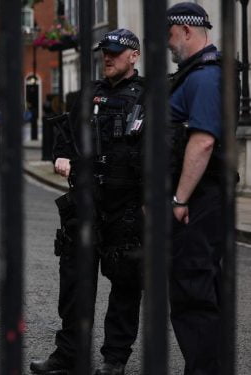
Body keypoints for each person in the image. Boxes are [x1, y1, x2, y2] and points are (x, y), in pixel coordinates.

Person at [30, 29, 145, 375]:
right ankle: (69, 354)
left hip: (127, 206)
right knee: (75, 285)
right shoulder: (86, 96)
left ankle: (114, 359)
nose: (107, 58)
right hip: (84, 203)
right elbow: (63, 137)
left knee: (125, 284)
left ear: (134, 55)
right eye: (103, 53)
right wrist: (61, 156)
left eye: (114, 52)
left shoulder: (151, 96)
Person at [167, 3, 231, 373]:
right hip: (202, 199)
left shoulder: (205, 77)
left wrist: (179, 198)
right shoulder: (196, 74)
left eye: (170, 34)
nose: (168, 43)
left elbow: (203, 141)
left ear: (187, 31)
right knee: (204, 289)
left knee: (193, 295)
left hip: (198, 202)